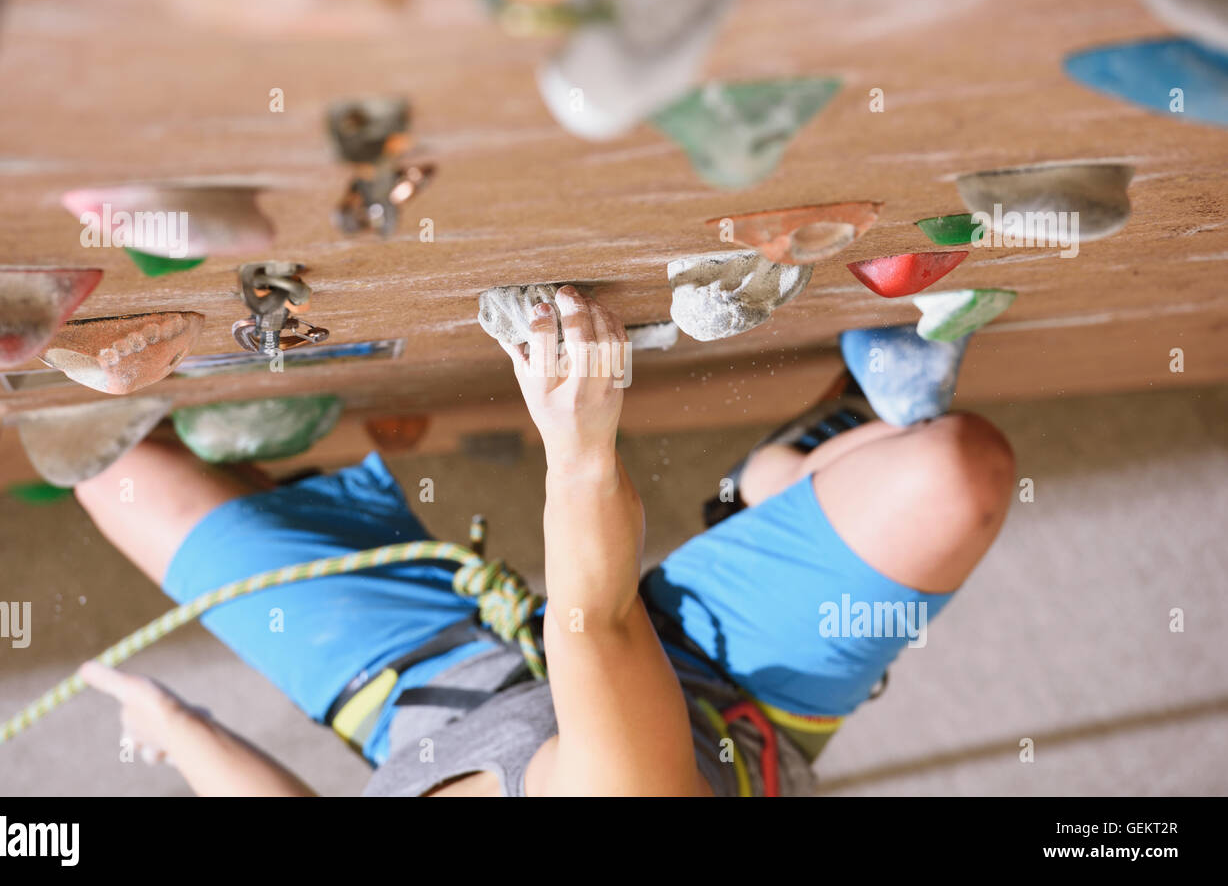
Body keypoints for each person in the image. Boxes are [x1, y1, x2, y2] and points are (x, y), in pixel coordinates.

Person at [76, 285, 1015, 796]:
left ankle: (782, 500)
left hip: (432, 704)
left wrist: (183, 730)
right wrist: (579, 451)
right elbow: (595, 622)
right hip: (717, 685)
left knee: (104, 464)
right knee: (954, 475)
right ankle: (772, 484)